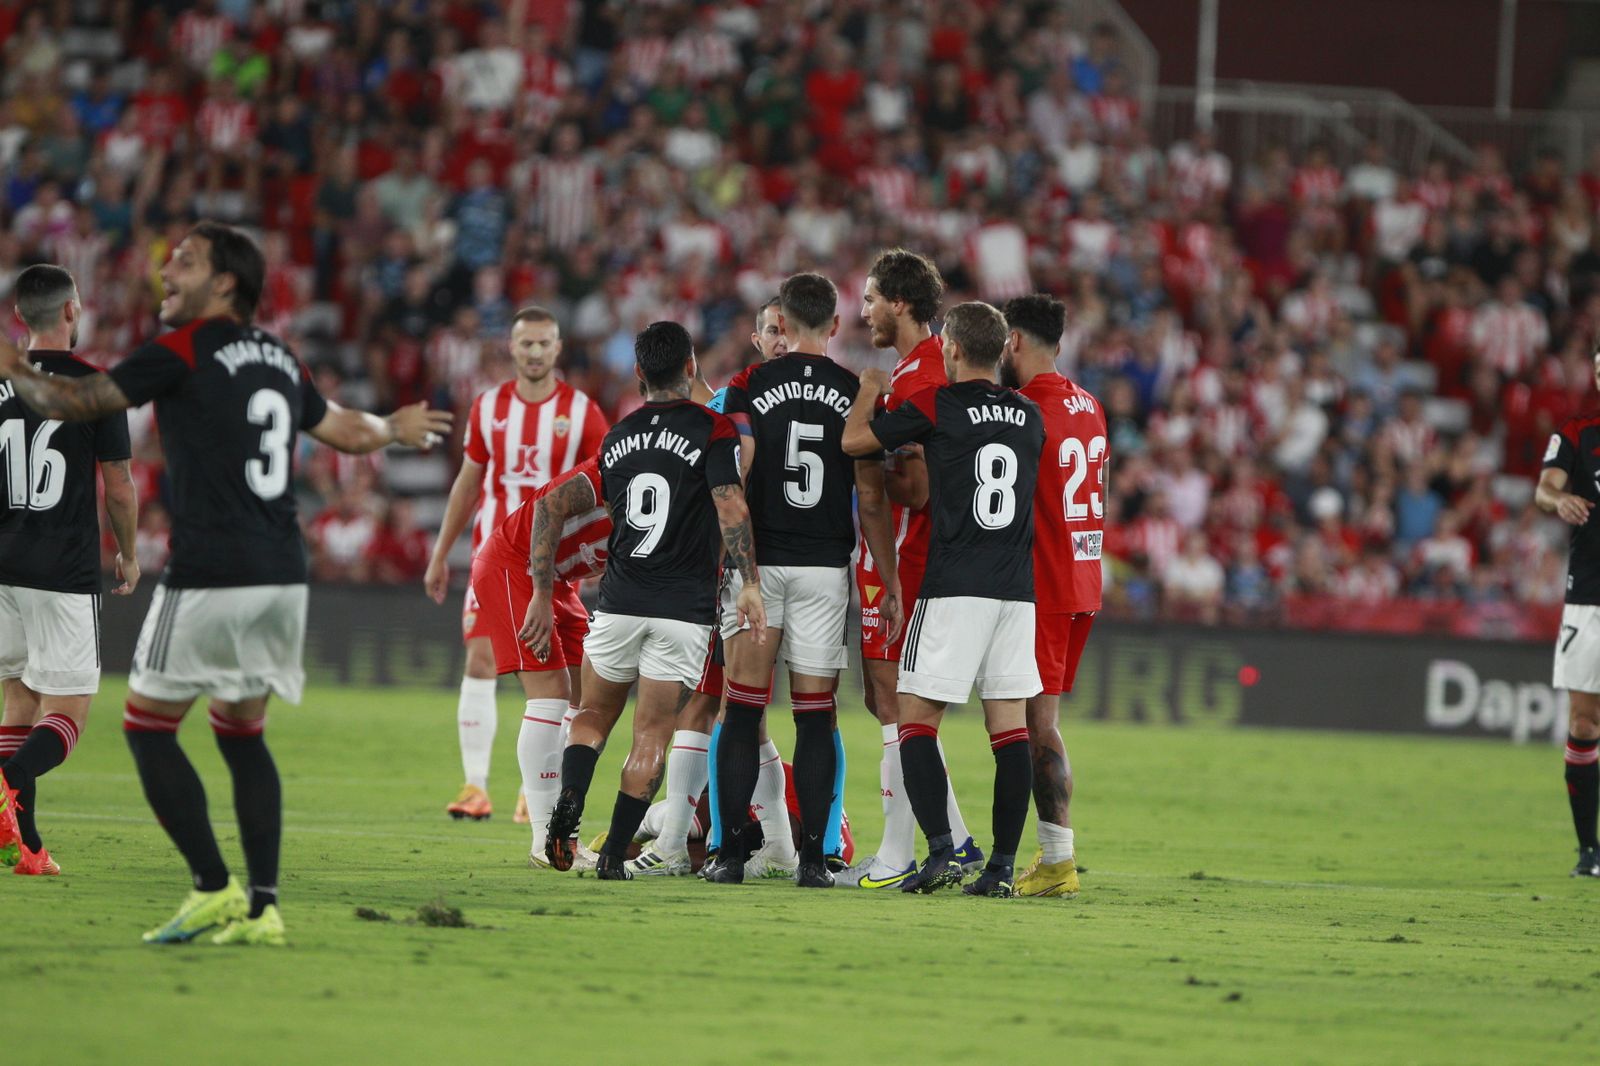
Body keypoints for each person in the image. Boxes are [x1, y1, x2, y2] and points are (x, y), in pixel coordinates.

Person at [0, 222, 452, 944]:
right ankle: (264, 907)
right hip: (281, 574)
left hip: (211, 570)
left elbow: (81, 403)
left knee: (147, 729)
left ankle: (213, 885)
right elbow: (343, 430)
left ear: (226, 285)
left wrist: (12, 366)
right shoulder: (276, 354)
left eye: (184, 263)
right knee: (242, 735)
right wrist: (394, 427)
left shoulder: (181, 348)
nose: (164, 272)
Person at [528, 321, 765, 880]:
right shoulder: (714, 430)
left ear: (638, 374)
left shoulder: (618, 437)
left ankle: (570, 804)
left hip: (618, 602)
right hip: (683, 612)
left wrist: (543, 590)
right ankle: (613, 857)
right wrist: (750, 583)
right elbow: (730, 506)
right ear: (690, 368)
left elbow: (552, 503)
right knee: (653, 733)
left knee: (590, 717)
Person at [703, 272, 903, 888]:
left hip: (761, 564)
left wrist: (742, 572)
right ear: (836, 326)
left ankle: (731, 856)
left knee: (742, 711)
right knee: (816, 716)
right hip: (825, 568)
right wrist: (888, 580)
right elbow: (871, 499)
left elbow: (734, 477)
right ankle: (814, 861)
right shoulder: (853, 391)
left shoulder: (746, 385)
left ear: (781, 326)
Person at [843, 300, 1045, 897]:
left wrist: (872, 390)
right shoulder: (1030, 416)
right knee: (1009, 731)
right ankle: (1002, 868)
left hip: (955, 583)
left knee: (915, 720)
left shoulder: (937, 404)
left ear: (952, 349)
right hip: (1016, 593)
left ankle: (938, 853)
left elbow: (856, 440)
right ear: (1003, 349)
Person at [424, 306, 606, 824]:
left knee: (566, 679)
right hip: (497, 556)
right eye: (525, 343)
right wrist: (441, 552)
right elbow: (468, 483)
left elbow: (609, 478)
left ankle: (537, 788)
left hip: (556, 565)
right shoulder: (487, 408)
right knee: (480, 661)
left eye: (543, 343)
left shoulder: (582, 411)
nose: (533, 352)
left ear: (557, 348)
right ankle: (476, 786)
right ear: (511, 346)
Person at [843, 248, 981, 890]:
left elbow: (920, 488)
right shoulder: (920, 368)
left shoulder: (921, 377)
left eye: (870, 298)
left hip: (905, 556)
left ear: (899, 303)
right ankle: (958, 840)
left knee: (899, 705)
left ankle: (898, 857)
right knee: (889, 702)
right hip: (901, 556)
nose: (863, 309)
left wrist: (868, 447)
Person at [0, 265, 140, 876]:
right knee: (70, 710)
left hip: (4, 565)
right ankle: (6, 784)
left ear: (20, 319)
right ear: (71, 311)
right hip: (62, 570)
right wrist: (129, 553)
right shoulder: (95, 387)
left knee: (19, 696)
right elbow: (119, 485)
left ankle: (23, 846)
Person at [1001, 293, 1108, 898]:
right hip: (1084, 578)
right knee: (1043, 718)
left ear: (1014, 341)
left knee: (1035, 723)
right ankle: (1052, 855)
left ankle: (1057, 860)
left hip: (1043, 583)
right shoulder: (1090, 405)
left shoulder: (1022, 409)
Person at [468, 454, 611, 866]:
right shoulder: (616, 469)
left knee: (589, 695)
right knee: (550, 693)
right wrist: (542, 595)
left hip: (556, 579)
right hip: (515, 567)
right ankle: (542, 839)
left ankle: (561, 827)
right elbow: (549, 506)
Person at [1536, 351, 1600, 877]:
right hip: (1591, 597)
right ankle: (1589, 851)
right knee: (1584, 721)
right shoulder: (1577, 432)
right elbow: (1543, 487)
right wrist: (1558, 500)